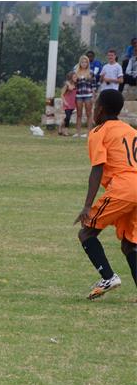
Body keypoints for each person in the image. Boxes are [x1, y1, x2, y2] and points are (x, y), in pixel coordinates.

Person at [73, 89, 137, 300]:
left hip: (123, 187)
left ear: (100, 109)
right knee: (129, 243)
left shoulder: (99, 132)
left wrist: (87, 206)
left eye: (95, 105)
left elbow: (97, 168)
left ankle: (108, 277)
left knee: (86, 233)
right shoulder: (131, 130)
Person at [74, 54, 95, 138]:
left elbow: (94, 85)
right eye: (82, 62)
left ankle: (89, 133)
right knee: (79, 114)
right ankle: (78, 132)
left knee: (88, 113)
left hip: (88, 95)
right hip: (79, 94)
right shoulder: (76, 72)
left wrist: (93, 96)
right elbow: (73, 84)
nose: (84, 63)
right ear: (80, 63)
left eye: (85, 62)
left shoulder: (91, 72)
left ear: (88, 63)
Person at [59, 71, 77, 137]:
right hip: (67, 103)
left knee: (67, 117)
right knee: (68, 117)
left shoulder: (76, 84)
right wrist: (65, 102)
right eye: (74, 77)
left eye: (76, 77)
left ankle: (60, 126)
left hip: (73, 104)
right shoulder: (67, 85)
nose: (76, 78)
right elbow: (62, 94)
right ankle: (65, 131)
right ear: (71, 78)